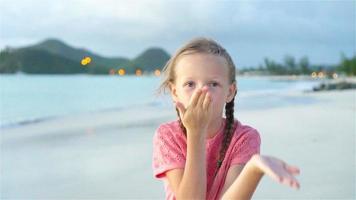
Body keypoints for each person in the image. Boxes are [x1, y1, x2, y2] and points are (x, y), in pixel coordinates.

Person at [152, 37, 300, 200]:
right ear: (174, 92)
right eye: (190, 84)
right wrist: (196, 132)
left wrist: (253, 168)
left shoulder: (244, 138)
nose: (201, 92)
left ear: (230, 92)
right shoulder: (167, 135)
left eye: (213, 84)